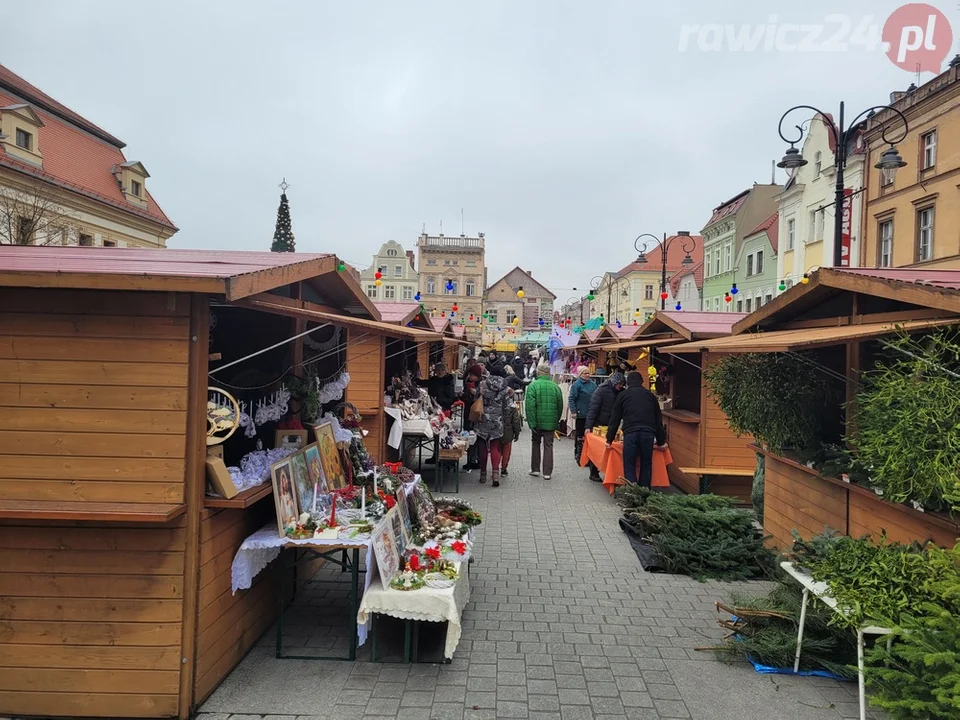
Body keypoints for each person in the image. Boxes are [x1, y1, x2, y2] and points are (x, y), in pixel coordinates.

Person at [606, 372, 666, 488]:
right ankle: (644, 493)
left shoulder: (623, 396)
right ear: (642, 382)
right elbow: (658, 420)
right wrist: (661, 441)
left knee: (629, 464)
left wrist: (609, 439)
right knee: (646, 464)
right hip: (648, 433)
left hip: (630, 433)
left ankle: (632, 493)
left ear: (628, 383)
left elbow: (615, 419)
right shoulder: (650, 396)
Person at [525, 363, 564, 479]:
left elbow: (530, 406)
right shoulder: (555, 386)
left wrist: (532, 423)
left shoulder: (533, 386)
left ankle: (535, 469)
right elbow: (560, 405)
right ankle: (547, 473)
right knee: (548, 446)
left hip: (537, 421)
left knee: (536, 443)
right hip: (551, 421)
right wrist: (555, 419)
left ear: (538, 372)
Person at [474, 373, 511, 486]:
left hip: (483, 419)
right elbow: (507, 406)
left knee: (482, 445)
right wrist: (506, 420)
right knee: (495, 446)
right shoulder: (504, 388)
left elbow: (475, 400)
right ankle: (495, 474)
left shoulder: (482, 385)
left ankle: (483, 474)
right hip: (497, 420)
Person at [568, 366, 600, 481]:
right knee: (580, 434)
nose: (588, 374)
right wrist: (573, 410)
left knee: (590, 436)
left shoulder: (593, 385)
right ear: (580, 374)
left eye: (588, 373)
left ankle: (588, 455)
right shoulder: (577, 385)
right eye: (585, 373)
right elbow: (571, 398)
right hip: (581, 414)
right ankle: (579, 454)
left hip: (591, 414)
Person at [461, 361, 484, 470]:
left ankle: (477, 460)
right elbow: (465, 398)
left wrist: (475, 392)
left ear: (477, 376)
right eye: (469, 374)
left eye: (472, 375)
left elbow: (483, 398)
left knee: (477, 437)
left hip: (476, 414)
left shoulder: (482, 384)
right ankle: (470, 460)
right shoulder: (467, 382)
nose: (470, 376)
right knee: (469, 436)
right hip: (468, 413)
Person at [499, 388, 522, 477]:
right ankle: (504, 469)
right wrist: (517, 433)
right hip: (508, 433)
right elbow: (516, 422)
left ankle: (495, 469)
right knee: (506, 452)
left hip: (497, 431)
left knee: (496, 450)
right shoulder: (512, 408)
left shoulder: (497, 406)